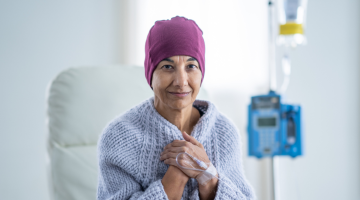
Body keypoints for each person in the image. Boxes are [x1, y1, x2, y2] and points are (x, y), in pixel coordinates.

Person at [97, 16, 255, 200]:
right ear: (151, 74)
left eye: (191, 66)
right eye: (167, 66)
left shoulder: (224, 133)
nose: (181, 82)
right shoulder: (118, 137)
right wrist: (176, 177)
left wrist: (208, 177)